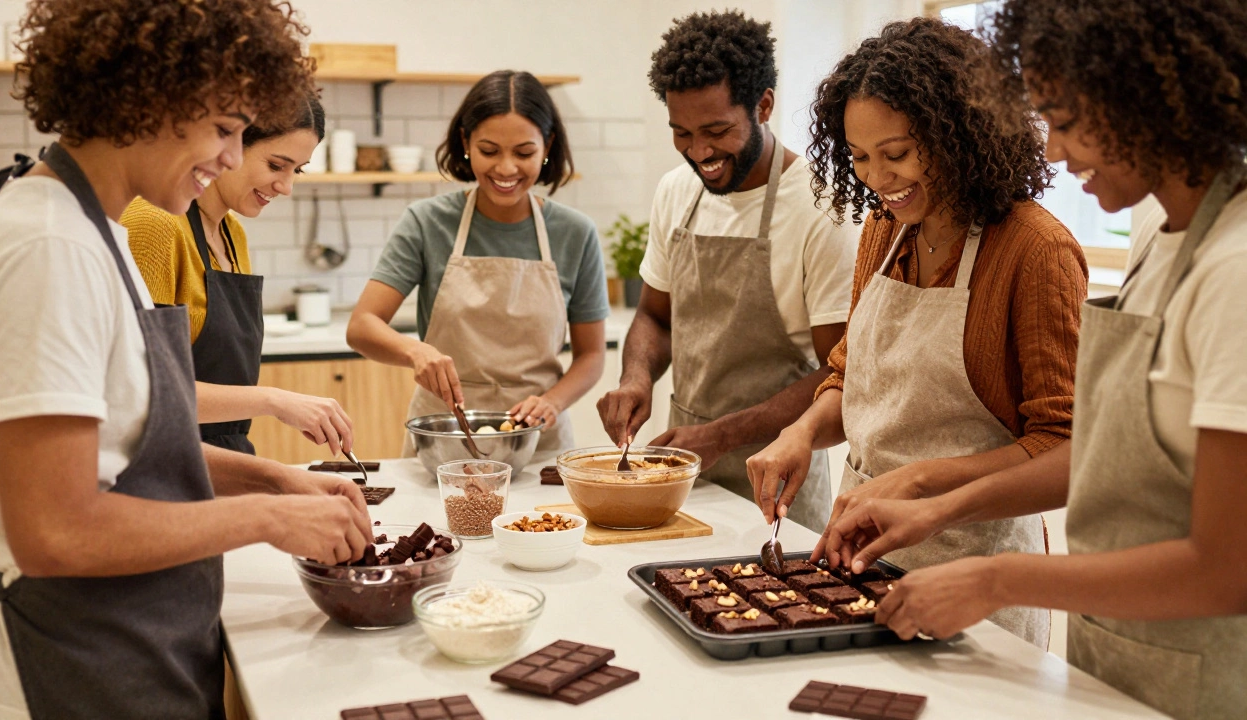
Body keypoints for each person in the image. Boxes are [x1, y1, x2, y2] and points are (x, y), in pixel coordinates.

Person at [818, 2, 1247, 717]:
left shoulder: (1233, 269)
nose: (1050, 150)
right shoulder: (1164, 242)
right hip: (1119, 660)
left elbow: (1227, 569)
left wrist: (993, 578)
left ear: (1150, 101)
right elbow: (1103, 457)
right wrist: (934, 506)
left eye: (1070, 120)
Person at [0, 2, 372, 717]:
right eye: (224, 129)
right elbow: (56, 530)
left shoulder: (102, 235)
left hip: (132, 640)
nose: (228, 157)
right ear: (147, 96)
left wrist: (273, 481)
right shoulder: (50, 248)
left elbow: (134, 451)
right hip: (65, 659)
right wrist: (266, 520)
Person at [747, 17, 1088, 646]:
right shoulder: (886, 230)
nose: (878, 179)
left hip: (975, 569)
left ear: (958, 133)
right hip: (862, 554)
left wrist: (923, 479)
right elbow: (852, 379)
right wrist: (800, 432)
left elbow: (1064, 444)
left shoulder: (1037, 251)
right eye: (859, 157)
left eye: (897, 154)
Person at [596, 10, 858, 531]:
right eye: (682, 133)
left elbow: (841, 375)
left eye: (716, 130)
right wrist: (636, 376)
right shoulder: (677, 190)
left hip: (779, 482)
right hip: (681, 474)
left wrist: (721, 435)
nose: (699, 152)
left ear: (764, 104)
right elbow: (655, 315)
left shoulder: (817, 207)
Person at [348, 70, 608, 454]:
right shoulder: (426, 223)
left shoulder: (575, 233)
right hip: (444, 437)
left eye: (524, 153)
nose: (505, 169)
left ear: (548, 145)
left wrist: (552, 401)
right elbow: (361, 327)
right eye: (489, 151)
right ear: (466, 142)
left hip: (537, 442)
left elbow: (592, 355)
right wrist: (416, 352)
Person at [122, 93, 355, 457]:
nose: (287, 186)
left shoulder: (234, 235)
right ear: (229, 145)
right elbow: (142, 389)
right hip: (162, 466)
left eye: (297, 170)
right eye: (277, 165)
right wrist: (274, 400)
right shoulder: (155, 224)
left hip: (225, 461)